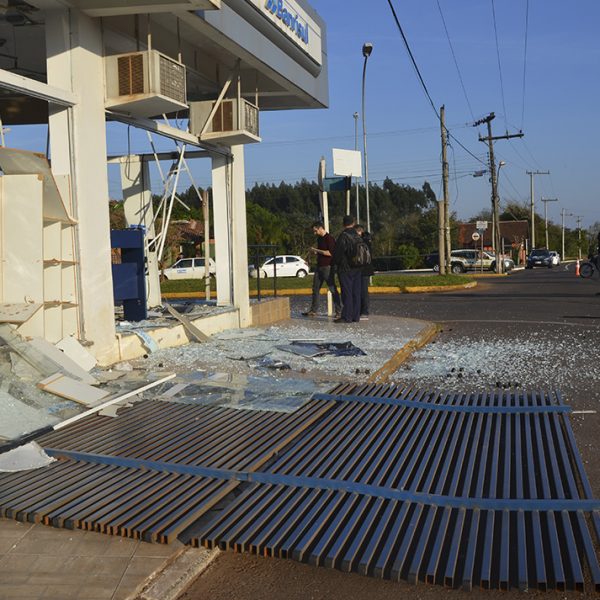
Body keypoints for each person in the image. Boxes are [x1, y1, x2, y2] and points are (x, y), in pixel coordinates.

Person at [302, 221, 342, 318]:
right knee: (315, 288)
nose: (315, 233)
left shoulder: (329, 238)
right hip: (319, 266)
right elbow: (322, 252)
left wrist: (316, 250)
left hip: (328, 267)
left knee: (332, 288)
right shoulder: (319, 239)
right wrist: (315, 253)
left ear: (320, 228)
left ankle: (339, 311)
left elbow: (330, 253)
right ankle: (313, 310)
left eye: (315, 231)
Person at [332, 215, 362, 323]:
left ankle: (347, 316)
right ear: (353, 223)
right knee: (356, 292)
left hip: (345, 269)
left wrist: (335, 264)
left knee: (347, 292)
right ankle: (356, 316)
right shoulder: (358, 236)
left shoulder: (343, 236)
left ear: (343, 224)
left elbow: (337, 254)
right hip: (358, 267)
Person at [354, 224, 374, 320]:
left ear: (359, 232)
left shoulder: (362, 241)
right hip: (366, 269)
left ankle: (364, 311)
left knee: (362, 291)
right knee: (362, 290)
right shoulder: (368, 240)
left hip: (363, 269)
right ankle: (363, 310)